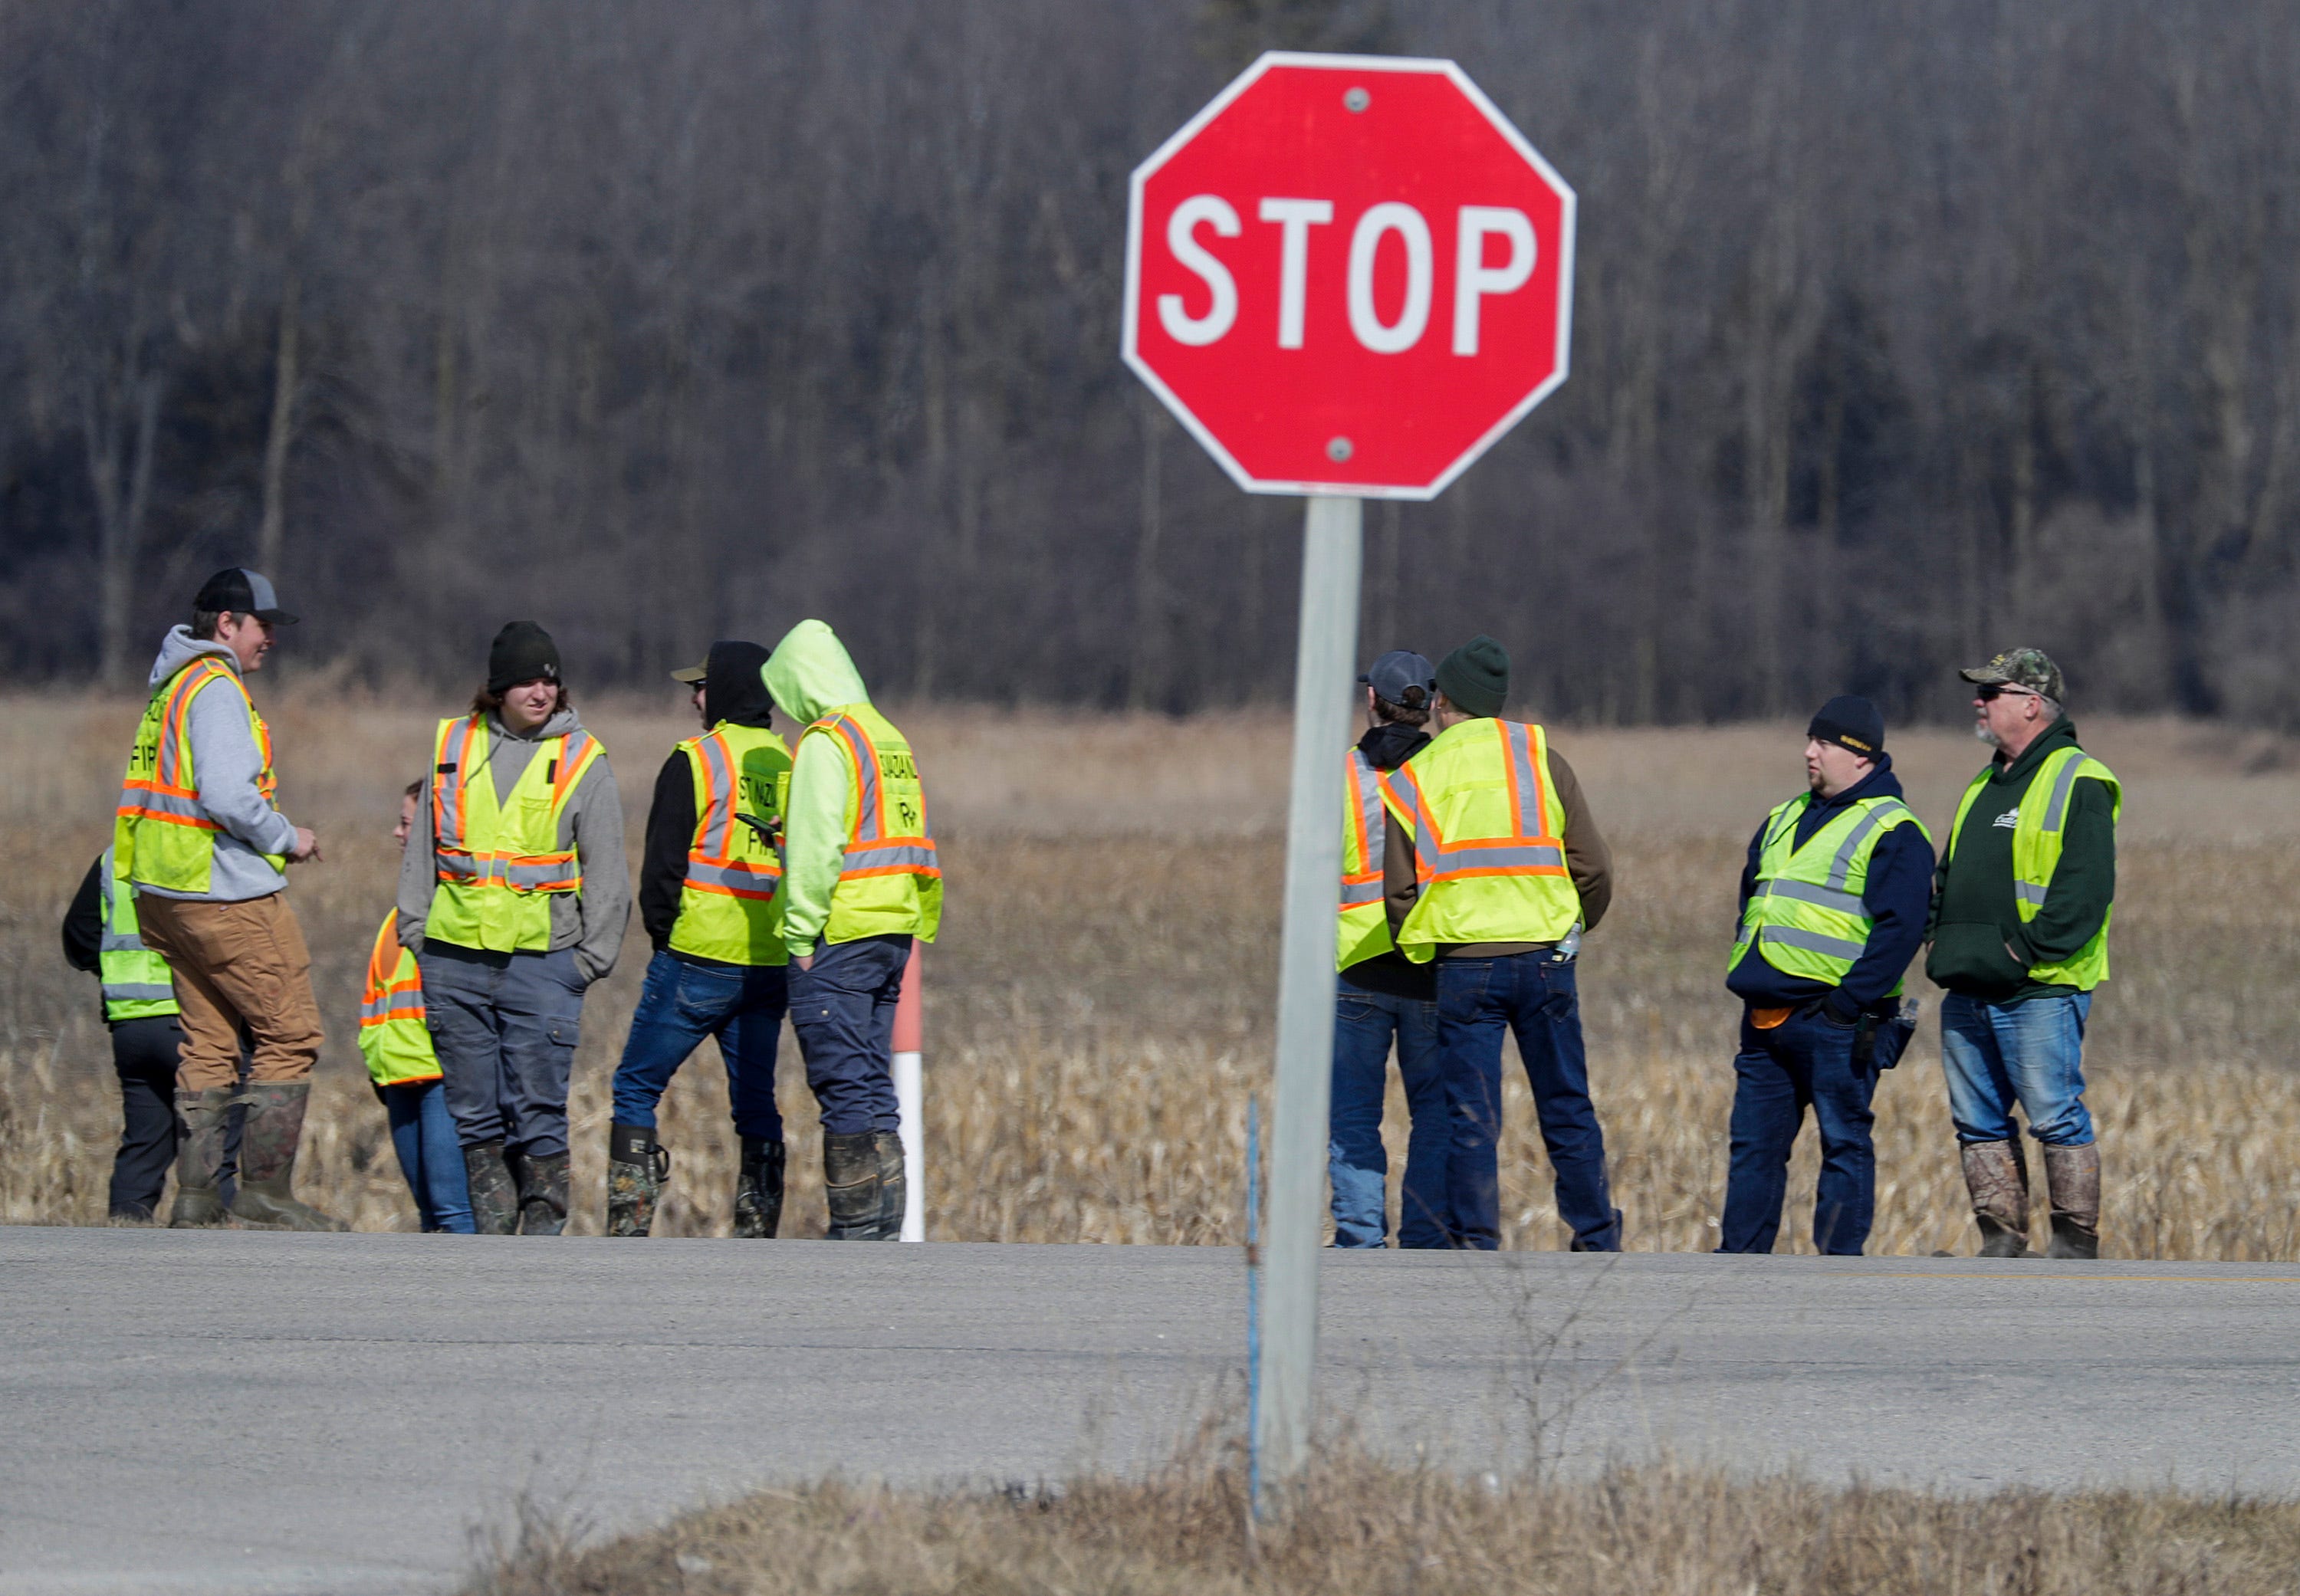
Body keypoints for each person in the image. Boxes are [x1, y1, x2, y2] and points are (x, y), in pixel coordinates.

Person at [113, 567, 342, 1230]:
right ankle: (266, 1190)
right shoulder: (216, 688)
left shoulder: (171, 686)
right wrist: (286, 836)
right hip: (222, 893)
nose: (270, 637)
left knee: (210, 1043)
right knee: (291, 1032)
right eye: (261, 625)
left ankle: (196, 1195)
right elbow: (227, 794)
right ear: (226, 624)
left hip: (166, 894)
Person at [1380, 635, 1619, 1251]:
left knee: (1472, 1116)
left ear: (1443, 702)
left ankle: (1477, 1243)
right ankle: (1596, 1235)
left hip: (1464, 967)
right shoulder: (1544, 757)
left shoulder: (1417, 774)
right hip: (1545, 959)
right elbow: (1593, 868)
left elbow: (1401, 892)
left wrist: (1423, 952)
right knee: (1566, 1103)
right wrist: (1571, 926)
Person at [396, 622, 628, 1235]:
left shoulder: (583, 759)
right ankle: (494, 1254)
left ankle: (540, 1252)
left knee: (539, 1115)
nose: (541, 690)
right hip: (453, 960)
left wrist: (588, 963)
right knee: (474, 1118)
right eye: (527, 679)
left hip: (543, 965)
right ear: (497, 688)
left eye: (550, 679)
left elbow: (608, 870)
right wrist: (417, 933)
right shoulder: (452, 743)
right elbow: (423, 847)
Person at [1718, 697, 1934, 1256]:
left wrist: (1847, 1004)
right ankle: (1735, 1275)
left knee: (1843, 1144)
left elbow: (1901, 930)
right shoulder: (1783, 816)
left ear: (1861, 758)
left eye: (1824, 743)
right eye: (1810, 740)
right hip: (1765, 1019)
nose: (1809, 752)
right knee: (1753, 1150)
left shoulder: (1895, 830)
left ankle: (1838, 1278)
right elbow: (1753, 900)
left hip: (1837, 1022)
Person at [1927, 649, 2118, 1259]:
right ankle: (2002, 1240)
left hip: (2039, 986)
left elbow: (2085, 893)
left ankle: (2073, 1244)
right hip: (1968, 984)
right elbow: (1947, 873)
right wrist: (1939, 937)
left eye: (1993, 693)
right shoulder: (1984, 783)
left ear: (2032, 704)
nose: (1979, 703)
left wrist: (2020, 952)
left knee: (2055, 1115)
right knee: (1977, 1119)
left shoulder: (2078, 778)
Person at [605, 642, 794, 1237]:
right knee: (757, 1106)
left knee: (636, 1086)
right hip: (769, 962)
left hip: (696, 957)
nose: (694, 698)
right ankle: (758, 1232)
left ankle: (630, 1227)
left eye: (703, 686)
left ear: (729, 690)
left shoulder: (697, 759)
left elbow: (662, 869)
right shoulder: (792, 762)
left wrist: (666, 940)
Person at [761, 619, 940, 1240]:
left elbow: (814, 847)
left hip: (839, 934)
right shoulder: (886, 736)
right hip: (893, 934)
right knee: (872, 1085)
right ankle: (884, 1234)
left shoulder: (825, 741)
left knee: (843, 1091)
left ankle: (857, 1238)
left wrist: (800, 938)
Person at [1329, 649, 1449, 1250]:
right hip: (1431, 966)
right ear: (1429, 706)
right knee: (1434, 1112)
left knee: (1354, 1114)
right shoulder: (1452, 773)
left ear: (1372, 702)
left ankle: (1359, 1235)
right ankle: (1426, 1237)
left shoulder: (1343, 775)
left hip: (1359, 967)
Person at [356, 783, 475, 1233]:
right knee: (429, 1215)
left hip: (443, 1080)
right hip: (399, 1080)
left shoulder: (453, 902)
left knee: (454, 1213)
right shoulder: (397, 913)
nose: (395, 833)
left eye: (406, 824)